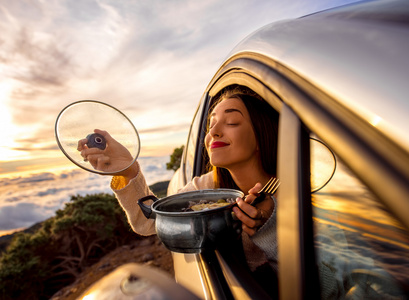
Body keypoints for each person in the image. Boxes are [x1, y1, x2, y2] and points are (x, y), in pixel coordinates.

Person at [78, 85, 279, 291]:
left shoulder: (300, 190)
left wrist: (269, 226)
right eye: (210, 125)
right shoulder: (206, 188)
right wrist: (128, 171)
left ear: (261, 134)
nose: (213, 133)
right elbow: (152, 222)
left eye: (231, 122)